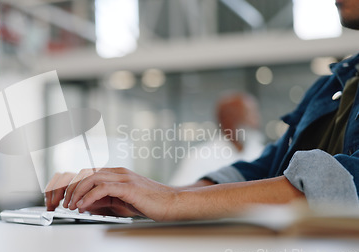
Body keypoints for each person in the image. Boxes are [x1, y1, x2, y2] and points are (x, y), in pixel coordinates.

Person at [45, 0, 359, 221]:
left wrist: (173, 201)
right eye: (245, 113)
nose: (254, 119)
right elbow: (265, 171)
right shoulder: (330, 85)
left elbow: (347, 181)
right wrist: (143, 199)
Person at [169, 92, 265, 186]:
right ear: (227, 120)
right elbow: (183, 195)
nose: (256, 122)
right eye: (249, 115)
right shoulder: (200, 156)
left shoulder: (262, 153)